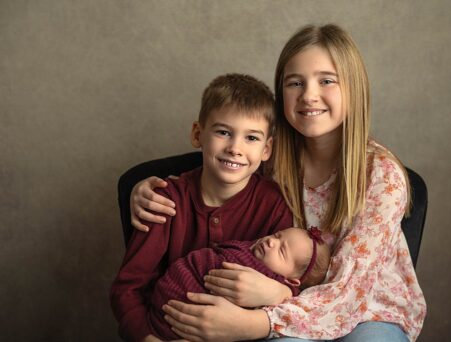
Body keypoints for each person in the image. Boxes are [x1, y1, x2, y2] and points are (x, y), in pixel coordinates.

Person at [129, 24, 426, 341]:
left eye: (326, 80)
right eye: (295, 83)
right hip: (283, 306)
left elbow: (349, 292)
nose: (309, 95)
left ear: (354, 89)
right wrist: (146, 189)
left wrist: (253, 324)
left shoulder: (380, 174)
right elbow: (214, 182)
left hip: (369, 310)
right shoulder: (269, 159)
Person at [110, 73, 295, 342]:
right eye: (223, 132)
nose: (235, 148)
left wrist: (281, 292)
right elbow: (127, 290)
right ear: (198, 134)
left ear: (267, 149)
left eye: (251, 138)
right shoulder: (162, 201)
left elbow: (290, 282)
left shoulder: (274, 204)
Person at [146, 227, 331, 341]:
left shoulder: (268, 282)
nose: (271, 242)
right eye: (277, 235)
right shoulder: (249, 249)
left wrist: (285, 292)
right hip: (173, 294)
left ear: (291, 280)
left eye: (282, 251)